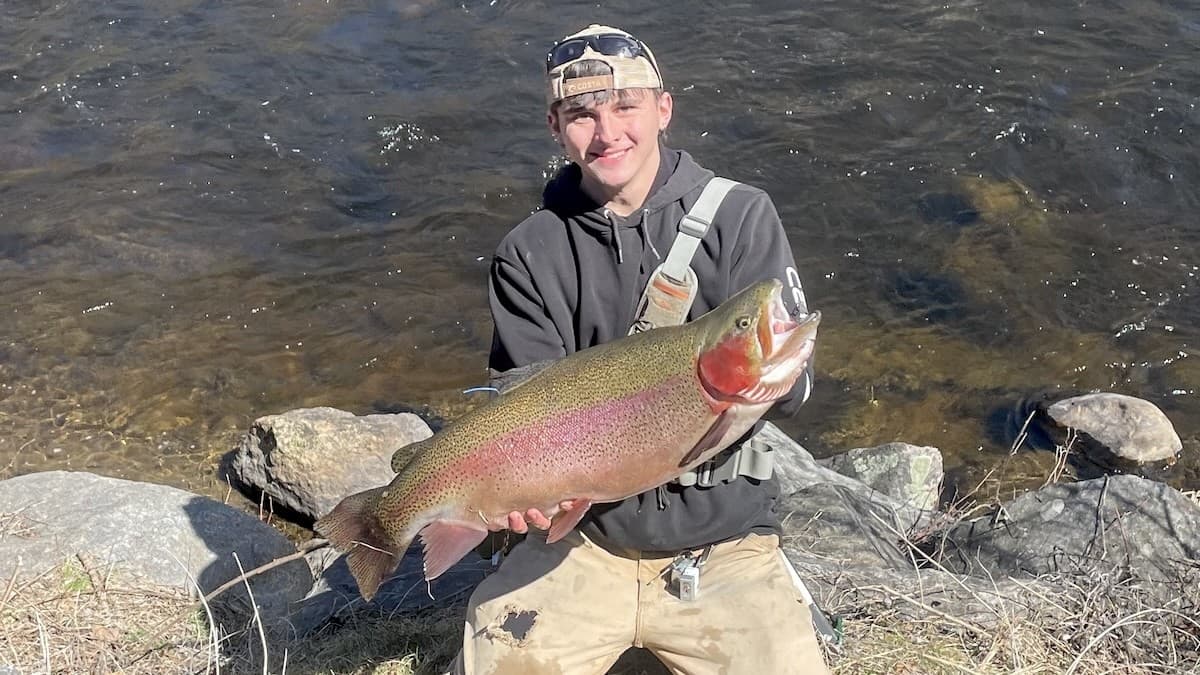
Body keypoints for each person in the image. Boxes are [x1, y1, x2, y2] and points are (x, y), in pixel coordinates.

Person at [447, 24, 831, 675]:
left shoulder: (742, 217)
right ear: (554, 125)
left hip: (725, 549)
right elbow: (522, 409)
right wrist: (521, 493)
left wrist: (778, 370)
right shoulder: (528, 253)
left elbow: (794, 394)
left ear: (663, 108)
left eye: (626, 107)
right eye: (581, 115)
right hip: (584, 546)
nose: (607, 132)